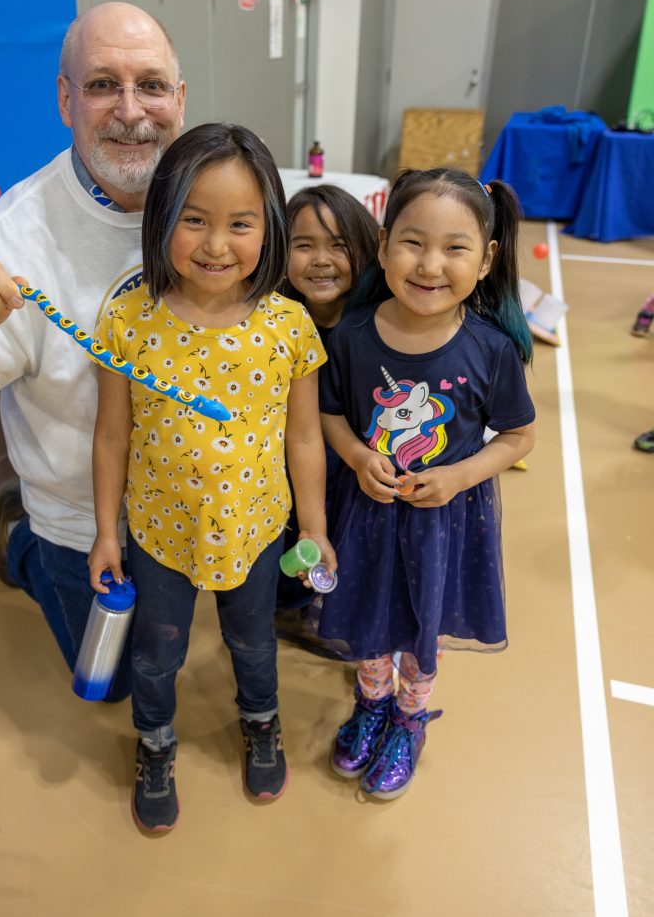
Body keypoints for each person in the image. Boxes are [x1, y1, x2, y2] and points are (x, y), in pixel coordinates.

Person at [0, 3, 185, 700]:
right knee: (115, 686)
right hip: (82, 522)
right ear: (65, 100)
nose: (131, 111)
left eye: (150, 85)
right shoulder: (14, 239)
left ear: (179, 98)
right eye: (103, 85)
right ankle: (22, 544)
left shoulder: (216, 195)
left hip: (188, 501)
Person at [88, 122, 335, 833]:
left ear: (270, 228)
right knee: (156, 652)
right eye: (194, 220)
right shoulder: (127, 320)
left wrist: (314, 527)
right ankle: (154, 742)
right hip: (158, 533)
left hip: (256, 529)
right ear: (161, 217)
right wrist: (106, 533)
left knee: (253, 641)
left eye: (240, 224)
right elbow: (111, 435)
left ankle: (261, 721)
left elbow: (304, 436)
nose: (216, 244)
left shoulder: (288, 325)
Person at [317, 169, 536, 800]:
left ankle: (409, 719)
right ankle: (371, 704)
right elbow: (329, 414)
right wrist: (357, 456)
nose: (430, 264)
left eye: (455, 248)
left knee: (422, 629)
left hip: (443, 525)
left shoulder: (490, 350)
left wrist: (458, 477)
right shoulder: (352, 336)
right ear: (384, 246)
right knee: (366, 616)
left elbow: (519, 437)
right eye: (412, 242)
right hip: (365, 515)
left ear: (486, 259)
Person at [275, 184, 379, 657]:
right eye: (304, 245)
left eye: (338, 245)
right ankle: (291, 604)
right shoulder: (274, 320)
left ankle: (332, 605)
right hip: (289, 464)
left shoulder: (378, 324)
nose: (321, 260)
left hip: (355, 468)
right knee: (294, 540)